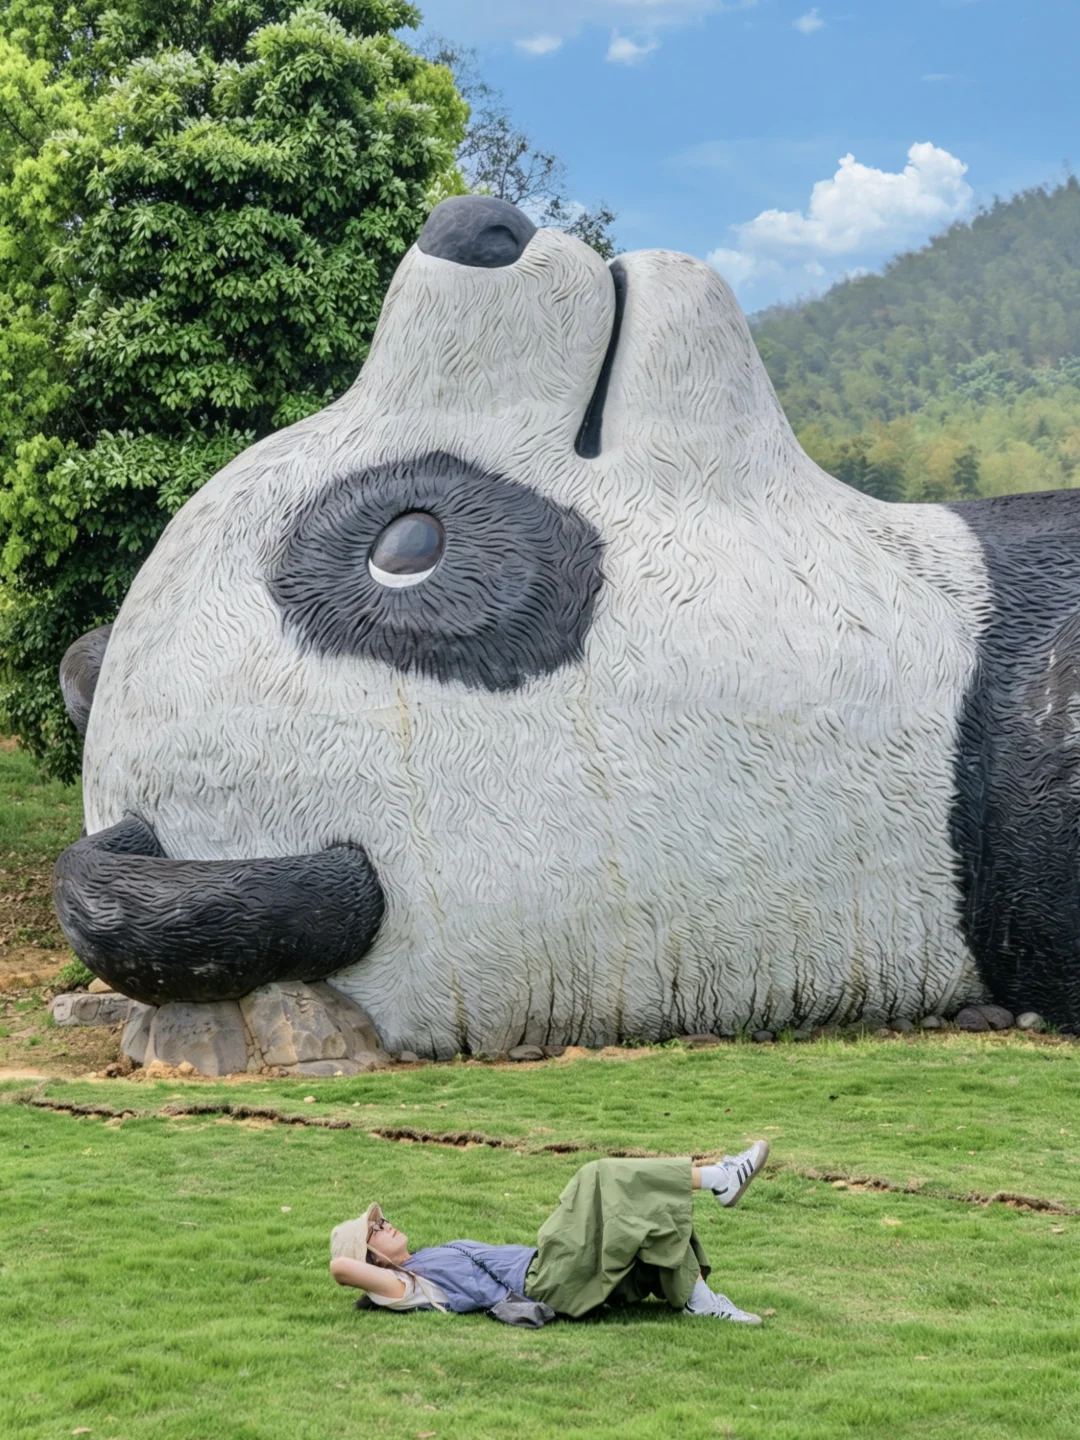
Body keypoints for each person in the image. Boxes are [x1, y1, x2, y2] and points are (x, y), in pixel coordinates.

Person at [329, 1140, 769, 1324]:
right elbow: (341, 1269)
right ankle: (719, 1178)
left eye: (381, 1219)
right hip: (545, 1279)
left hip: (550, 1267)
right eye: (376, 1230)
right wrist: (369, 1264)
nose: (386, 1224)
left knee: (642, 1214)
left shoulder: (424, 1259)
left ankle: (701, 1302)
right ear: (374, 1259)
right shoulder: (409, 1286)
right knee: (597, 1176)